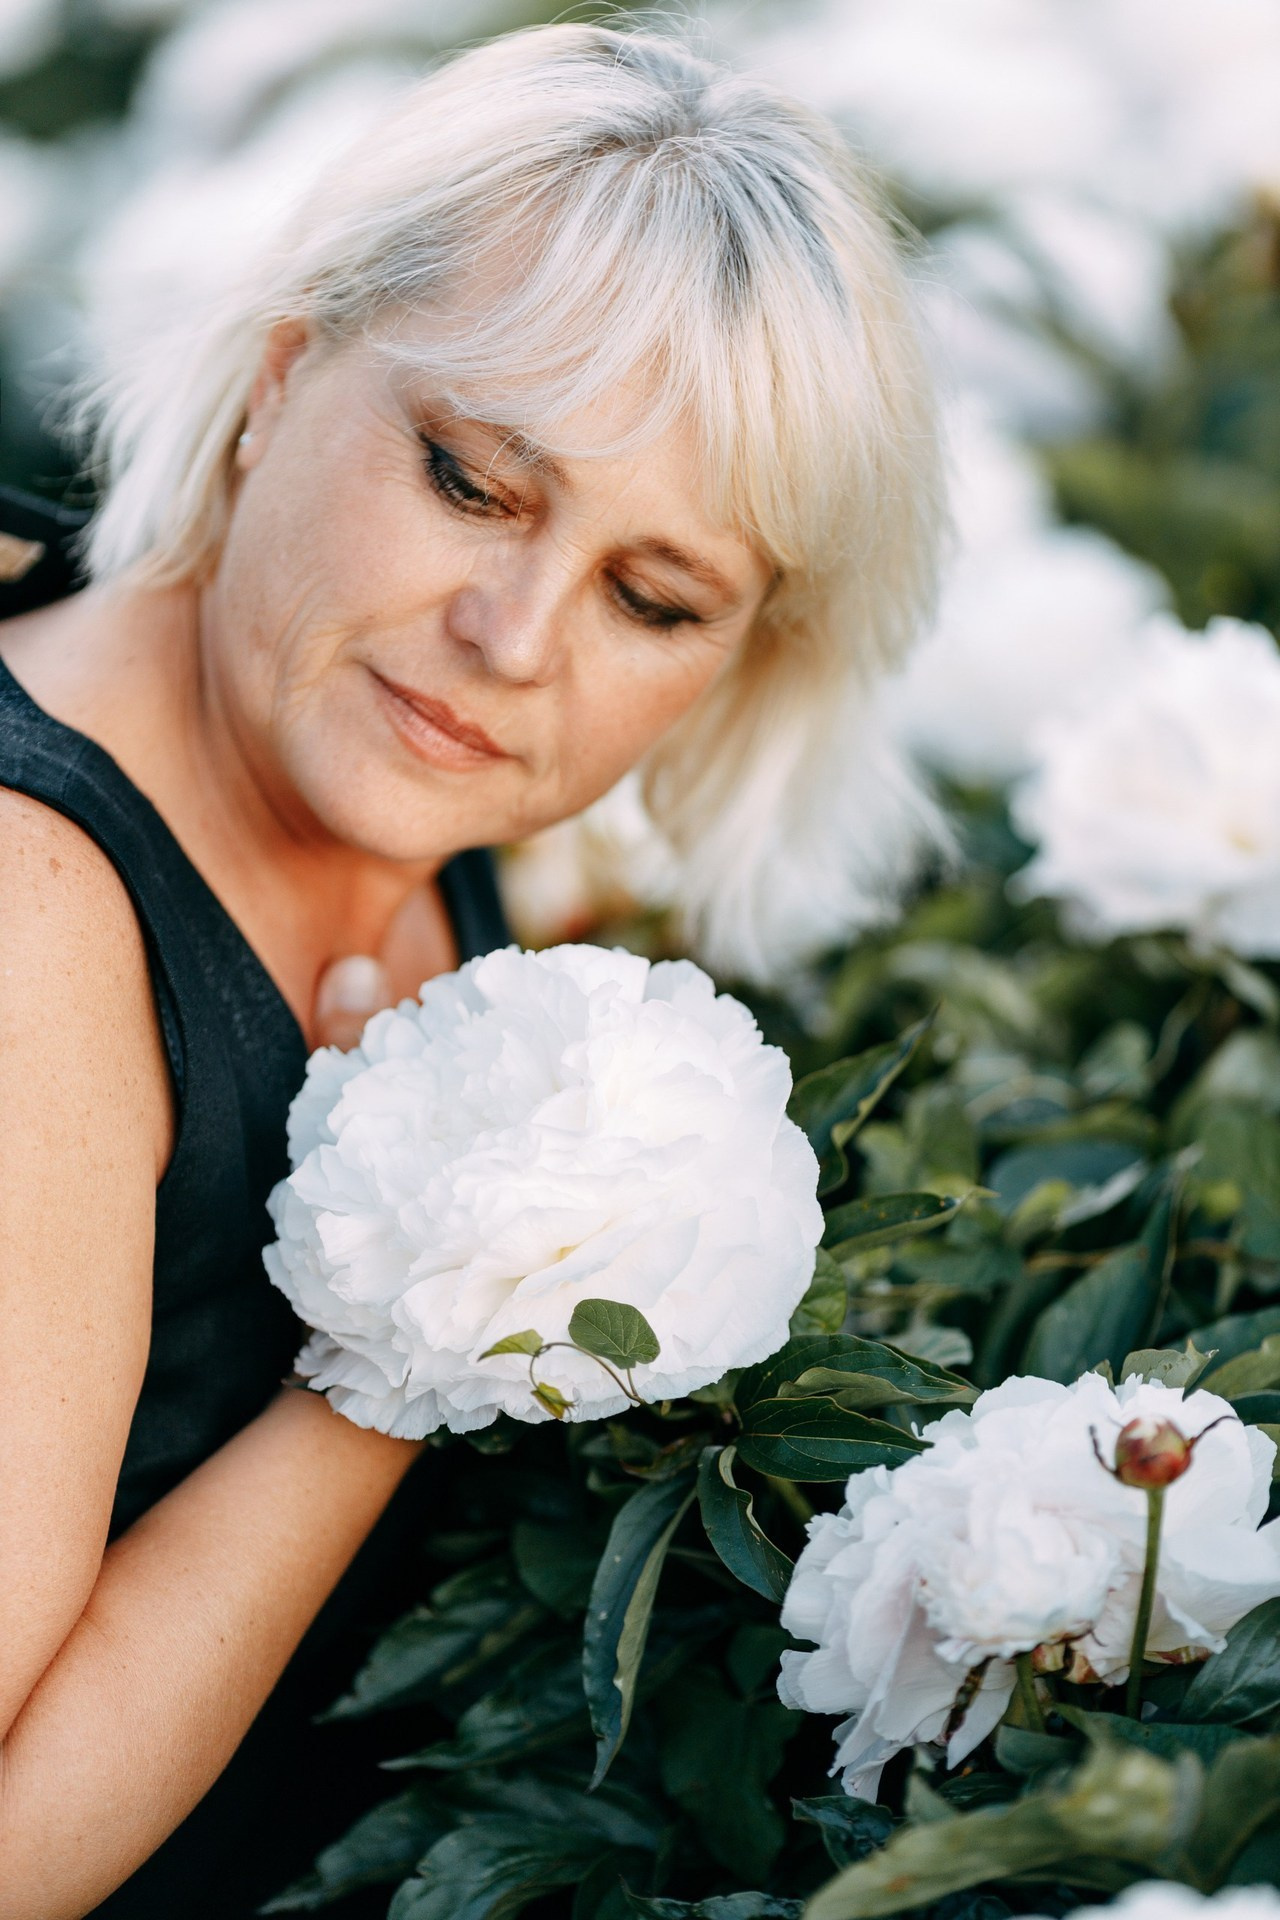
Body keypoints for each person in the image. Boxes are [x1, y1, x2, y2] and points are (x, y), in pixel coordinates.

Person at [0, 22, 943, 1917]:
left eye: (651, 599)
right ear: (283, 372)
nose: (516, 639)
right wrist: (418, 1341)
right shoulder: (34, 917)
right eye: (471, 482)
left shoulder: (417, 780)